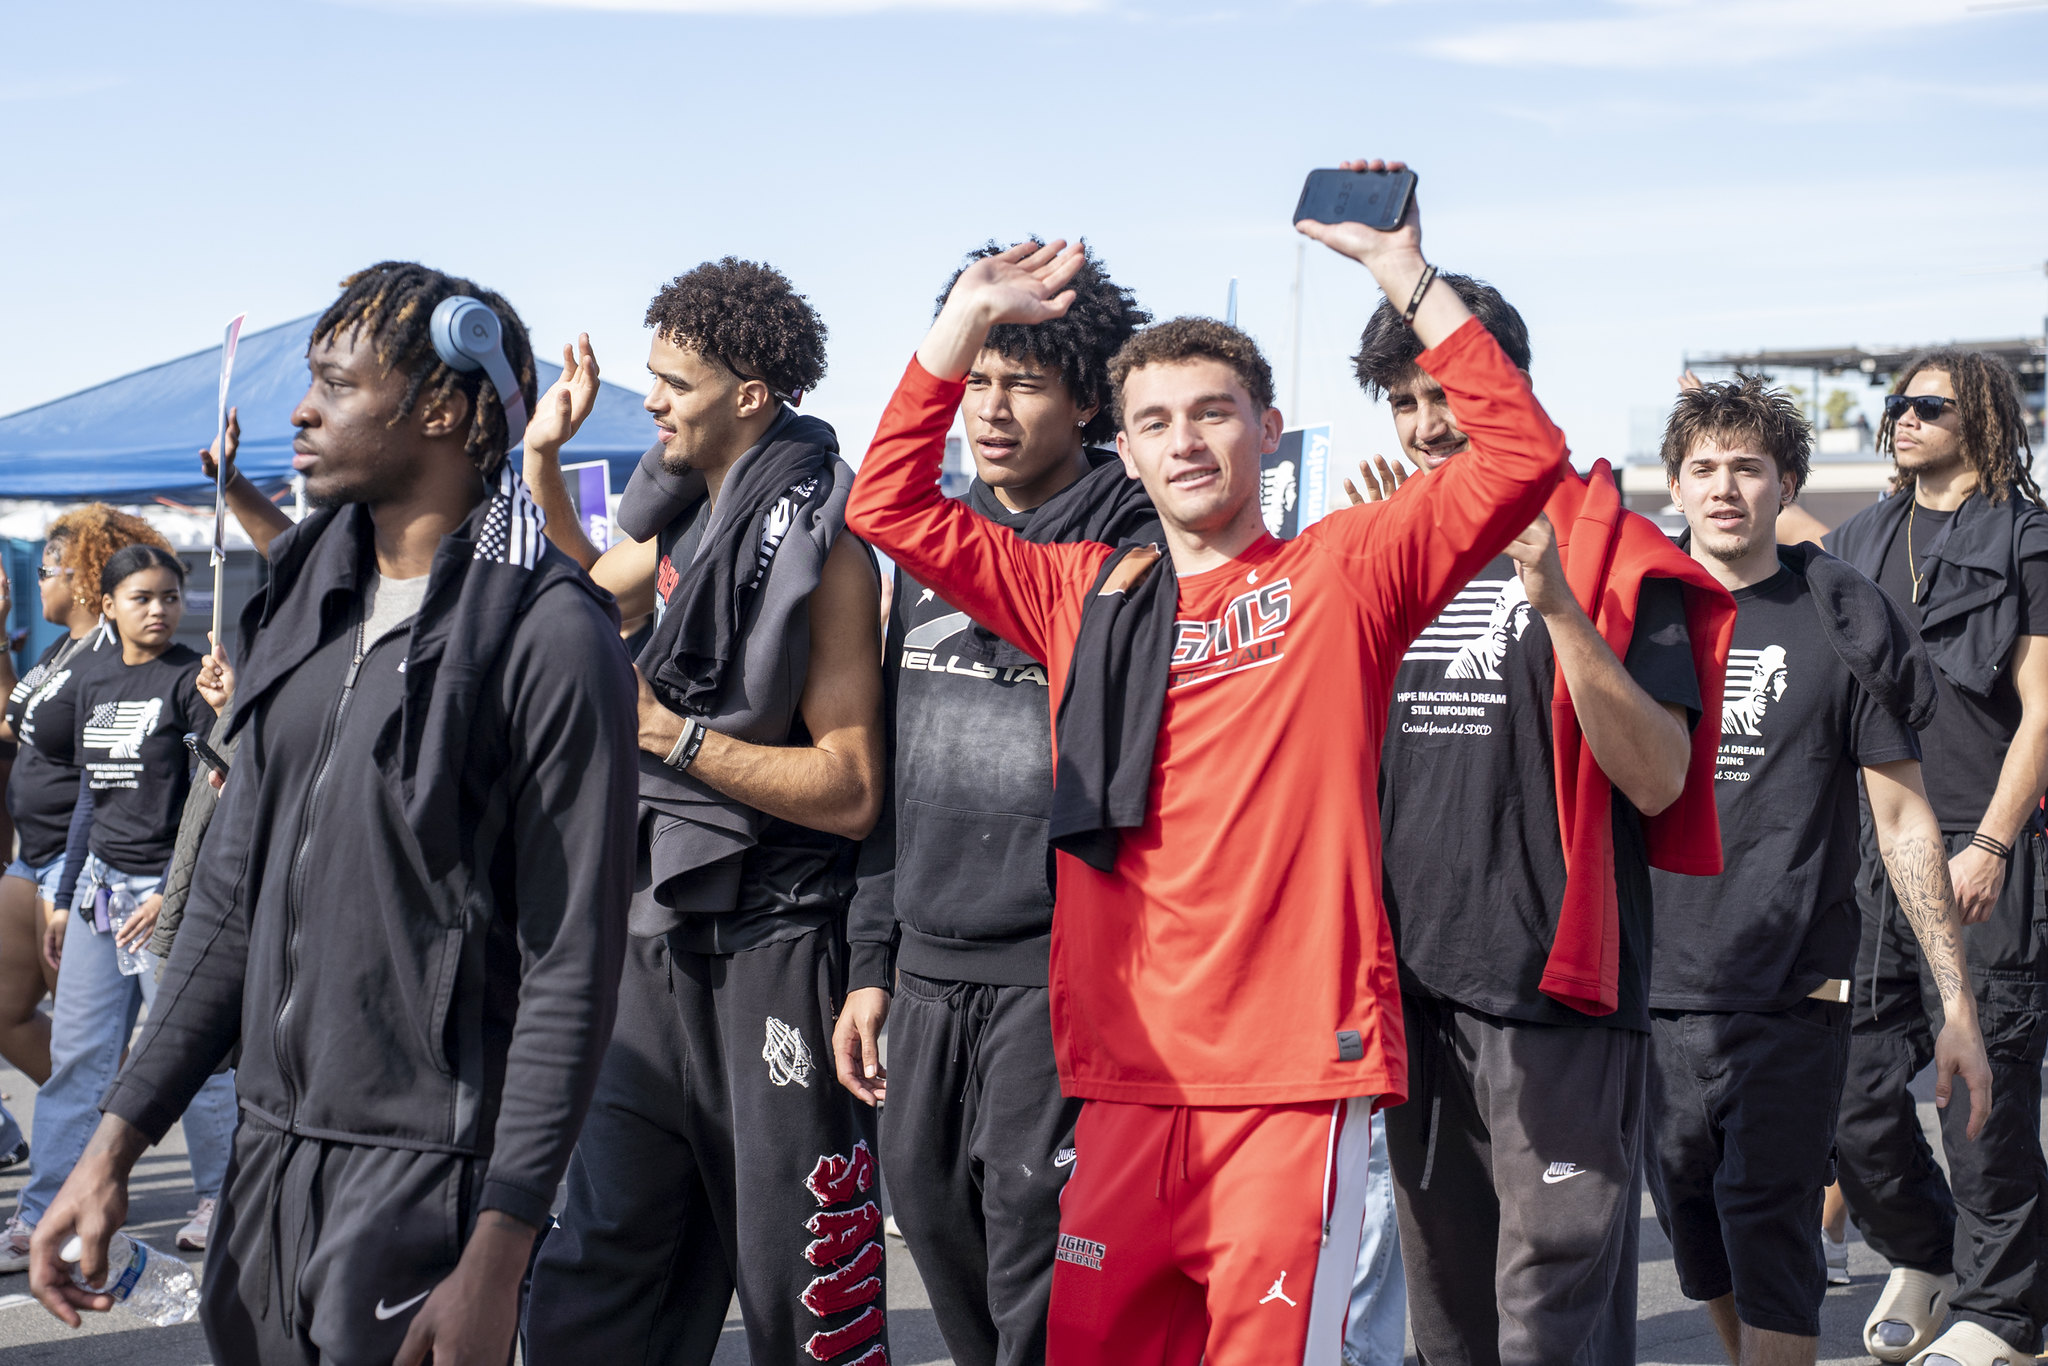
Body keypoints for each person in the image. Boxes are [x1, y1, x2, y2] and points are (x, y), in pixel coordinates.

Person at [848, 160, 1567, 1366]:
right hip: (1123, 1083)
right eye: (1155, 421)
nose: (1184, 441)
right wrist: (964, 319)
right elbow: (890, 506)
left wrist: (1402, 273)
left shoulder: (1343, 571)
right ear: (1123, 452)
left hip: (1288, 1084)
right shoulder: (1076, 591)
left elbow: (1519, 453)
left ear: (1266, 431)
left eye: (1213, 412)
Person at [27, 260, 638, 1366]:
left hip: (430, 1182)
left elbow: (571, 965)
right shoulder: (301, 602)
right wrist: (114, 1143)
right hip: (267, 1162)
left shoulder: (547, 633)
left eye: (337, 384)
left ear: (443, 406)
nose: (303, 411)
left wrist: (500, 1251)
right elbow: (229, 900)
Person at [1349, 273, 1734, 1366]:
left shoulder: (1619, 552)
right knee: (1449, 1325)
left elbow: (1659, 778)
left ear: (1503, 384)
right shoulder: (1390, 548)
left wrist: (1559, 607)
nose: (1427, 425)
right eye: (1403, 402)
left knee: (1550, 1323)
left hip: (1555, 1000)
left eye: (1445, 394)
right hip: (1412, 992)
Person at [519, 259, 888, 1366]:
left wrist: (671, 737)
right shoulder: (690, 527)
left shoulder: (828, 552)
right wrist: (541, 458)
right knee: (604, 1262)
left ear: (750, 396)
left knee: (799, 1285)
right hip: (653, 929)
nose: (652, 402)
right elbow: (585, 595)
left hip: (774, 941)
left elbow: (852, 789)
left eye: (674, 383)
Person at [832, 243, 1153, 1366]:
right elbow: (895, 764)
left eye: (1023, 382)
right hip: (925, 967)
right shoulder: (932, 535)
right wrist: (871, 959)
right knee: (930, 1221)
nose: (991, 408)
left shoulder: (1132, 540)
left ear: (1087, 399)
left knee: (1036, 1251)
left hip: (1056, 973)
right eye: (974, 378)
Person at [1649, 375, 1992, 1366]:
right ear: (1674, 486)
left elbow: (1902, 818)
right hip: (1651, 992)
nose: (1724, 488)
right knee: (1698, 1244)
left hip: (1792, 993)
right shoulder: (1636, 614)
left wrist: (1955, 1004)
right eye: (1703, 468)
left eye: (1747, 467)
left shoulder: (1839, 618)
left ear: (1786, 484)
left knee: (1772, 1240)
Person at [1824, 348, 2048, 1366]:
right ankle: (1931, 1255)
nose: (1904, 417)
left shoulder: (2027, 539)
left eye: (1929, 405)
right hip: (1874, 852)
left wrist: (1993, 841)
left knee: (1980, 1103)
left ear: (1982, 420)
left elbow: (2041, 710)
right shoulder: (1863, 537)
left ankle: (2002, 1314)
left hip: (1981, 845)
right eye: (1897, 403)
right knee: (1851, 1094)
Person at [5, 544, 244, 1259]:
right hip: (98, 895)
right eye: (142, 597)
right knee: (78, 1056)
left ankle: (220, 1199)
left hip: (169, 900)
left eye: (170, 597)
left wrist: (174, 890)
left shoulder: (192, 681)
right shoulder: (95, 678)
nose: (159, 610)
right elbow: (91, 797)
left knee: (193, 1055)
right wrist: (63, 897)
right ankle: (44, 1209)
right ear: (108, 605)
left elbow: (216, 797)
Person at [0, 508, 162, 1235]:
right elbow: (12, 723)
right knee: (13, 1016)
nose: (37, 581)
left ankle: (92, 1174)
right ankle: (96, 1146)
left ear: (86, 573)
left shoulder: (110, 655)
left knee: (87, 1043)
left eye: (47, 569)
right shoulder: (59, 651)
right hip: (33, 855)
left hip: (81, 861)